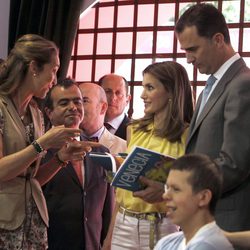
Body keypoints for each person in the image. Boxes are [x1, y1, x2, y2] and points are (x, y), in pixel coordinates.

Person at [0, 34, 89, 249]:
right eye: (54, 70)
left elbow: (32, 180)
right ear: (34, 68)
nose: (55, 80)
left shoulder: (36, 113)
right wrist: (41, 144)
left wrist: (60, 158)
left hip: (35, 223)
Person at [174, 3, 250, 238]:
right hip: (206, 220)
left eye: (193, 49)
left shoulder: (242, 84)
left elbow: (234, 164)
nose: (188, 59)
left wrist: (183, 188)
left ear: (218, 39)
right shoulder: (215, 82)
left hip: (226, 221)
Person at [104, 61, 194, 250]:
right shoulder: (133, 130)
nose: (142, 95)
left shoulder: (189, 135)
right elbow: (121, 195)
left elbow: (197, 189)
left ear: (171, 91)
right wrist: (109, 237)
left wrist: (166, 191)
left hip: (164, 227)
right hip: (123, 223)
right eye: (143, 87)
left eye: (150, 88)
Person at [42, 78, 114, 250]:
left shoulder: (101, 152)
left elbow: (108, 209)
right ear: (49, 112)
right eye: (64, 103)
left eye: (78, 101)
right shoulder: (38, 153)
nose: (73, 107)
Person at [155, 154, 234, 250]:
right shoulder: (166, 243)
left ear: (203, 197)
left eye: (176, 189)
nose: (165, 195)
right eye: (167, 188)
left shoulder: (209, 245)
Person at [79, 82, 127, 154]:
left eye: (84, 101)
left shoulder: (124, 148)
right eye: (76, 102)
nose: (76, 107)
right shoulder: (60, 142)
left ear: (103, 108)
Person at [98, 73, 131, 140]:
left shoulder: (136, 132)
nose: (113, 98)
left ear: (127, 100)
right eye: (107, 91)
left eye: (118, 93)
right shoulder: (84, 127)